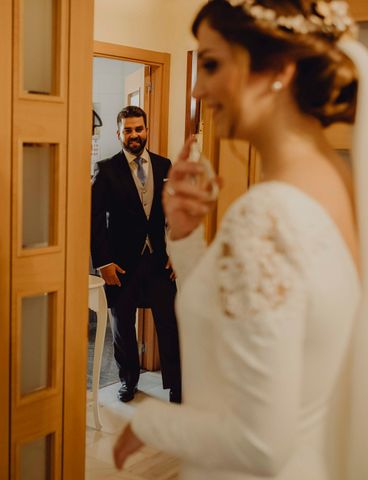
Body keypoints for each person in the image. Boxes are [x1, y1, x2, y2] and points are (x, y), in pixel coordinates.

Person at [113, 1, 364, 478]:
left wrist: (151, 421)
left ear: (279, 69)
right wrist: (184, 238)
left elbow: (258, 442)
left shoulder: (267, 215)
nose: (196, 87)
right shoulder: (334, 181)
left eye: (211, 64)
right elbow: (252, 311)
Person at [91, 106, 182, 403]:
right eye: (128, 130)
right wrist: (103, 263)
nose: (134, 135)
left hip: (158, 261)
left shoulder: (164, 165)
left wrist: (177, 252)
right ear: (119, 134)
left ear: (146, 130)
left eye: (138, 129)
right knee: (123, 327)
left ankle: (176, 384)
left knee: (169, 322)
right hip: (121, 264)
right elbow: (94, 221)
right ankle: (128, 380)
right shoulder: (106, 170)